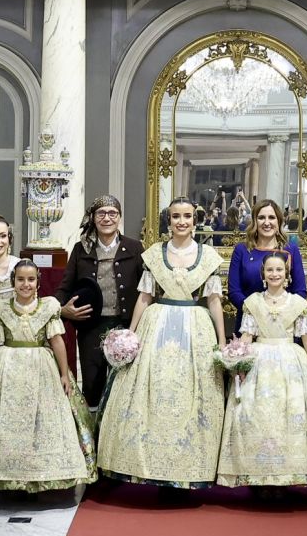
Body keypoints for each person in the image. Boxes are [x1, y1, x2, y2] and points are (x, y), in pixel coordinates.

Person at [97, 197, 228, 489]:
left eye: (187, 216)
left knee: (191, 395)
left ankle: (188, 468)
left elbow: (214, 301)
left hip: (195, 328)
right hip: (157, 326)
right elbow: (145, 297)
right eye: (176, 216)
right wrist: (131, 334)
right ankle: (150, 466)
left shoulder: (208, 256)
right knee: (152, 390)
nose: (182, 221)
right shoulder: (155, 254)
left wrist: (221, 340)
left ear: (195, 221)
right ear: (169, 221)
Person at [0, 260, 93, 493]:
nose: (25, 284)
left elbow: (57, 342)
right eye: (20, 280)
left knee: (41, 417)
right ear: (13, 282)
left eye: (30, 280)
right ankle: (3, 473)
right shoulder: (2, 308)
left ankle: (40, 474)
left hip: (40, 366)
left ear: (38, 283)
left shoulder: (49, 307)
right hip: (7, 367)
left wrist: (64, 373)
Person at [219, 252, 307, 490]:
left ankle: (286, 478)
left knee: (289, 415)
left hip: (290, 362)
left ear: (287, 274)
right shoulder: (253, 302)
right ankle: (261, 479)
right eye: (270, 270)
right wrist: (237, 361)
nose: (274, 274)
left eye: (279, 270)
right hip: (259, 363)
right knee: (259, 417)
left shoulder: (297, 304)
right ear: (263, 274)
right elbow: (247, 336)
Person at [59, 195, 144, 409]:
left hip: (125, 326)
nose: (107, 218)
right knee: (92, 383)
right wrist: (60, 309)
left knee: (123, 383)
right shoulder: (81, 249)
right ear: (93, 218)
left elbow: (146, 288)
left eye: (112, 213)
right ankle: (93, 428)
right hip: (91, 327)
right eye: (101, 213)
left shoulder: (134, 248)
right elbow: (66, 286)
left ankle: (116, 427)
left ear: (120, 218)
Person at [227, 199, 307, 312]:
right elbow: (234, 292)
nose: (266, 222)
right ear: (254, 222)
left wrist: (280, 313)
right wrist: (256, 312)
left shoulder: (291, 250)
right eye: (261, 218)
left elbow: (300, 291)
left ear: (279, 221)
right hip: (249, 318)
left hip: (283, 319)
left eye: (271, 217)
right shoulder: (241, 250)